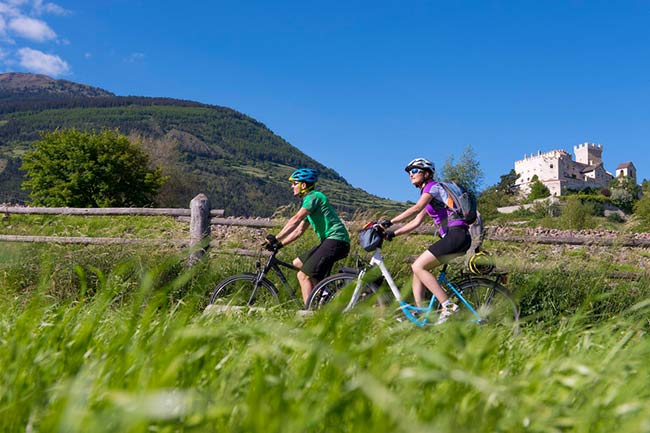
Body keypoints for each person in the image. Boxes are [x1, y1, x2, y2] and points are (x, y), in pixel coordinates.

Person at [379, 158, 471, 325]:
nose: (410, 175)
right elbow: (416, 221)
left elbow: (415, 208)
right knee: (417, 268)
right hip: (455, 237)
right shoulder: (430, 196)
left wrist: (389, 222)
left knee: (418, 266)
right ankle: (421, 312)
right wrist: (393, 233)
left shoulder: (432, 187)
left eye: (414, 171)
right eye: (409, 172)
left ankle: (448, 305)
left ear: (426, 173)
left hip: (456, 235)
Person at [265, 168, 350, 306]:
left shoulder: (313, 197)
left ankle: (309, 314)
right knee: (298, 263)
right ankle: (324, 293)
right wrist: (280, 244)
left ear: (303, 185)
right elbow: (298, 231)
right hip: (331, 241)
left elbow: (296, 219)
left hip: (336, 241)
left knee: (302, 275)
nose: (292, 186)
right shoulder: (311, 204)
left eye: (295, 183)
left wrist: (276, 237)